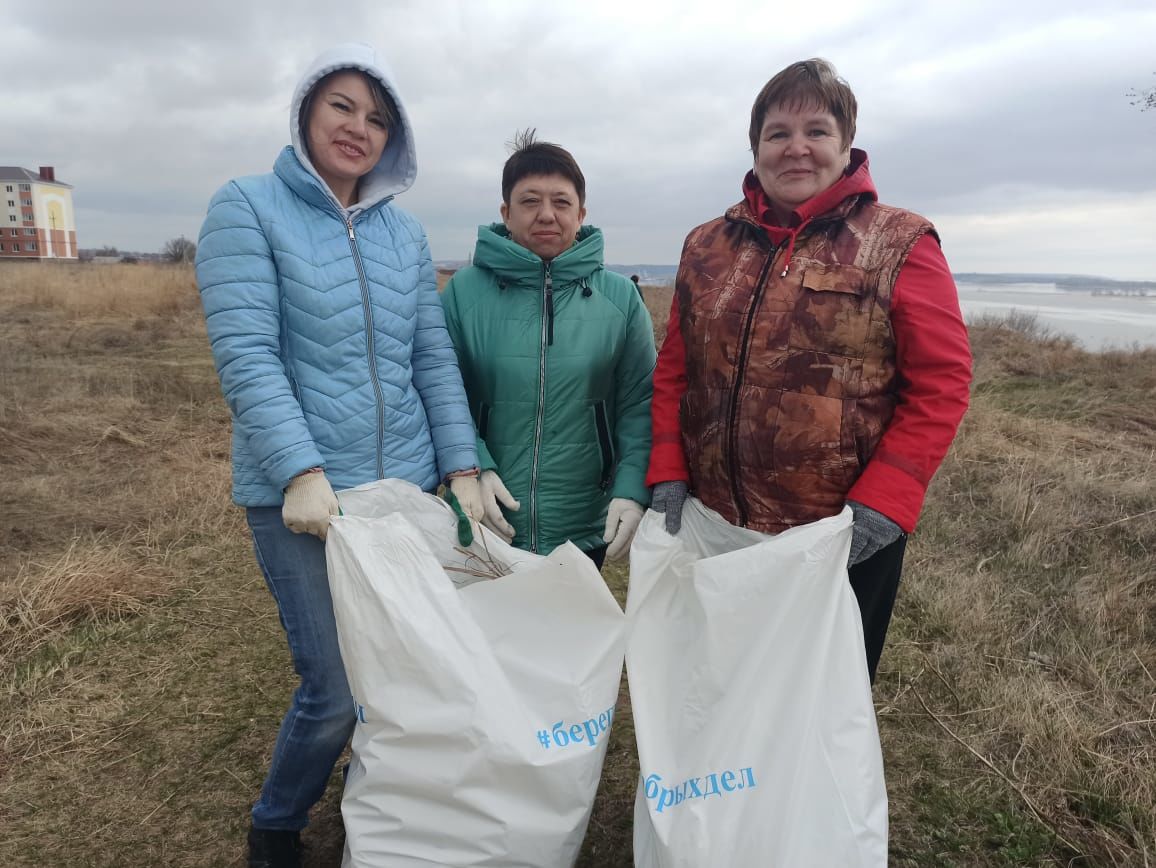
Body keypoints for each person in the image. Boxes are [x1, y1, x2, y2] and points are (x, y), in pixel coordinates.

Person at [194, 43, 483, 868]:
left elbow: (430, 358)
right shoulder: (246, 207)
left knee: (396, 670)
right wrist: (301, 471)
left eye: (379, 118)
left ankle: (378, 802)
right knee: (334, 691)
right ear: (305, 112)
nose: (360, 128)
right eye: (342, 107)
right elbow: (247, 353)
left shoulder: (404, 232)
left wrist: (459, 467)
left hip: (401, 490)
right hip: (303, 499)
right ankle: (277, 823)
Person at [646, 59, 971, 682]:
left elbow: (942, 384)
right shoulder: (706, 246)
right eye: (778, 133)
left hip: (841, 535)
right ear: (755, 148)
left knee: (819, 694)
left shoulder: (901, 243)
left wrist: (885, 504)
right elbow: (675, 372)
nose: (797, 148)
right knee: (716, 677)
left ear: (846, 145)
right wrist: (667, 471)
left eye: (816, 131)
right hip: (715, 522)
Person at [441, 131, 656, 568]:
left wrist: (632, 490)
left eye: (561, 202)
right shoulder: (464, 292)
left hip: (584, 523)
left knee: (577, 635)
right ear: (505, 211)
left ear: (581, 213)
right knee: (485, 635)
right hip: (488, 516)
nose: (546, 215)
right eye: (529, 201)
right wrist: (472, 465)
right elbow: (442, 391)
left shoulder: (620, 297)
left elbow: (640, 403)